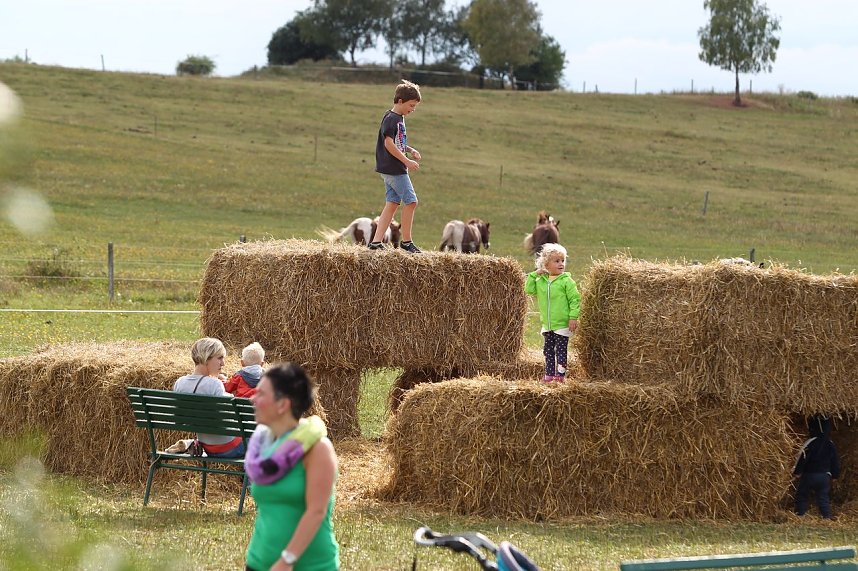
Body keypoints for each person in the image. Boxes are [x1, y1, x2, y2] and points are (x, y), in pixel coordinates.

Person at [245, 363, 339, 571]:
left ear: (282, 405)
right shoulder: (263, 443)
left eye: (261, 393)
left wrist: (287, 560)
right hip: (258, 561)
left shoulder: (318, 449)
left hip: (307, 566)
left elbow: (317, 511)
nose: (253, 399)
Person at [369, 79, 423, 254]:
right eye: (411, 105)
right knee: (411, 201)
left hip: (390, 168)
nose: (412, 109)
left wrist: (410, 149)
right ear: (400, 101)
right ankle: (406, 242)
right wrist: (406, 161)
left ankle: (376, 242)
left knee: (392, 203)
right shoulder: (392, 118)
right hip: (394, 168)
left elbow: (398, 143)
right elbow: (389, 144)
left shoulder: (398, 118)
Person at [172, 337, 246, 459]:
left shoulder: (180, 383)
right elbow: (230, 417)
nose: (223, 363)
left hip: (206, 447)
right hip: (229, 447)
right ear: (207, 358)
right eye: (220, 358)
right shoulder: (214, 384)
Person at [524, 243, 581, 383]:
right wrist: (534, 274)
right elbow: (529, 290)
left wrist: (573, 317)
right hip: (548, 324)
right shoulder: (541, 281)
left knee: (560, 351)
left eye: (563, 260)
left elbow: (575, 299)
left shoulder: (567, 281)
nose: (561, 263)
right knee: (548, 351)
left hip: (562, 324)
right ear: (546, 264)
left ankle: (560, 377)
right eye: (557, 261)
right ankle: (549, 376)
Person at [794, 415, 841, 519]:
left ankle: (800, 515)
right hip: (824, 476)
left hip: (809, 475)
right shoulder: (830, 443)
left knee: (802, 494)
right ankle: (826, 516)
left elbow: (803, 457)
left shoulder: (810, 442)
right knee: (823, 497)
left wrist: (798, 471)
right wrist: (835, 475)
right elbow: (835, 461)